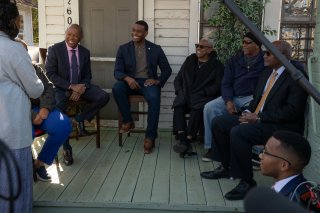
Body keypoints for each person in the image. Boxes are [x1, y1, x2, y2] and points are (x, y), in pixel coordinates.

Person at [200, 40, 308, 201]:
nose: (264, 55)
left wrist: (258, 117)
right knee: (220, 122)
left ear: (282, 56)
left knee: (239, 132)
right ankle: (226, 166)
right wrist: (248, 112)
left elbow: (293, 111)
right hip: (259, 119)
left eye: (268, 53)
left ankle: (247, 182)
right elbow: (258, 100)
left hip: (279, 126)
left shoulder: (295, 76)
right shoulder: (267, 73)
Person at [0, 0, 44, 211]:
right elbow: (36, 89)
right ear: (11, 22)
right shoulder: (13, 50)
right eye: (18, 20)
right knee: (16, 191)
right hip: (12, 131)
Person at [45, 24, 109, 166]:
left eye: (75, 35)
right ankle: (66, 148)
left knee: (103, 96)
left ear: (80, 37)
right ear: (65, 33)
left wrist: (81, 87)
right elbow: (50, 74)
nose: (72, 38)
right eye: (69, 34)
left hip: (81, 86)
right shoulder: (54, 50)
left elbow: (88, 75)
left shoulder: (84, 52)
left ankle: (80, 118)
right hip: (62, 88)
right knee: (59, 107)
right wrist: (71, 86)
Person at [202, 32, 265, 162]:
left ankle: (254, 151)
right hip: (234, 96)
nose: (244, 45)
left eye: (248, 42)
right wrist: (228, 101)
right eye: (243, 42)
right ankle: (213, 147)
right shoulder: (235, 60)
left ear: (258, 45)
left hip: (253, 97)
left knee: (254, 113)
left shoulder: (265, 60)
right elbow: (226, 83)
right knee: (210, 108)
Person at [112, 20, 172, 154]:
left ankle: (150, 137)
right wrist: (127, 78)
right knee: (117, 88)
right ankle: (128, 121)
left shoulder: (156, 49)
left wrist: (157, 81)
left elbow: (167, 70)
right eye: (133, 30)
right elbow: (117, 72)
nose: (135, 33)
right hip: (130, 82)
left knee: (154, 98)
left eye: (139, 31)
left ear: (146, 33)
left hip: (147, 82)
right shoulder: (123, 48)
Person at [17, 38, 73, 181]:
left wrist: (45, 108)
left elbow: (49, 87)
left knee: (63, 125)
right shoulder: (7, 72)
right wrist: (32, 115)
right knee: (24, 135)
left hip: (42, 108)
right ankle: (24, 170)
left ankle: (39, 163)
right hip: (20, 114)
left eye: (25, 52)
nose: (23, 55)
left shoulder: (34, 68)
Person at [172, 38, 224, 157]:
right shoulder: (190, 60)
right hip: (185, 95)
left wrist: (205, 92)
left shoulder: (216, 65)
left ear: (210, 50)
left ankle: (187, 140)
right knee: (178, 107)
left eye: (202, 46)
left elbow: (218, 85)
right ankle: (184, 141)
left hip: (202, 96)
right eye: (197, 46)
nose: (198, 48)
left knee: (197, 109)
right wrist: (179, 91)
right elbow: (178, 78)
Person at [260, 131, 312, 203]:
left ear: (284, 165)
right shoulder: (302, 187)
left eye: (266, 152)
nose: (260, 156)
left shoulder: (288, 204)